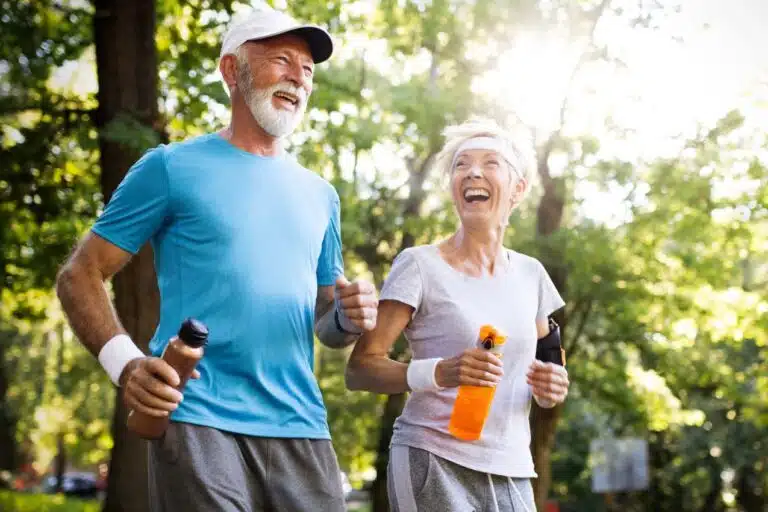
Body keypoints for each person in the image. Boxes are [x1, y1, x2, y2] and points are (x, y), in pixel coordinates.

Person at [56, 5, 378, 511]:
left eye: (308, 69)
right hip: (199, 416)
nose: (298, 77)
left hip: (300, 424)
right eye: (282, 60)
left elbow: (326, 324)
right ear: (232, 70)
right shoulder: (171, 167)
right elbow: (80, 274)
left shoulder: (322, 195)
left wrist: (349, 317)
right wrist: (126, 365)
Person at [345, 118, 570, 512]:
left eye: (490, 163)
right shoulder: (419, 265)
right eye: (461, 164)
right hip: (432, 457)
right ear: (453, 188)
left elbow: (549, 358)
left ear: (518, 189)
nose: (473, 172)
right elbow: (360, 368)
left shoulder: (532, 275)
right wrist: (438, 372)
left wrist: (553, 387)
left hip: (513, 469)